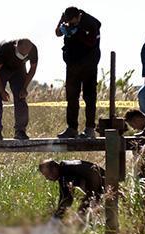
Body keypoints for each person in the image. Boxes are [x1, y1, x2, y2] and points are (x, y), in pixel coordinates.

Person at [54, 6, 101, 140]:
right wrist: (62, 25)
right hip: (72, 64)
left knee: (89, 97)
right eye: (69, 22)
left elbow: (91, 42)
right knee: (71, 97)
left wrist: (77, 32)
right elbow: (57, 33)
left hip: (89, 64)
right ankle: (72, 128)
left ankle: (89, 129)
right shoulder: (66, 19)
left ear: (78, 17)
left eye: (73, 22)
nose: (71, 24)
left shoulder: (90, 23)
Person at [0, 39, 38, 141]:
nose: (23, 56)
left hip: (18, 69)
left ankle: (20, 131)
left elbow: (32, 69)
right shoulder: (4, 49)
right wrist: (2, 91)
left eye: (25, 54)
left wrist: (24, 87)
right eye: (21, 54)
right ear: (15, 47)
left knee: (21, 97)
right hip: (0, 69)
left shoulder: (33, 49)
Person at [38, 159, 105, 218]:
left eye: (47, 174)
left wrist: (57, 217)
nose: (47, 178)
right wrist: (58, 214)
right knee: (86, 209)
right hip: (98, 181)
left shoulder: (65, 171)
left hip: (101, 181)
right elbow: (64, 196)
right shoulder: (63, 170)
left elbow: (67, 199)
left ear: (54, 168)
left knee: (83, 211)